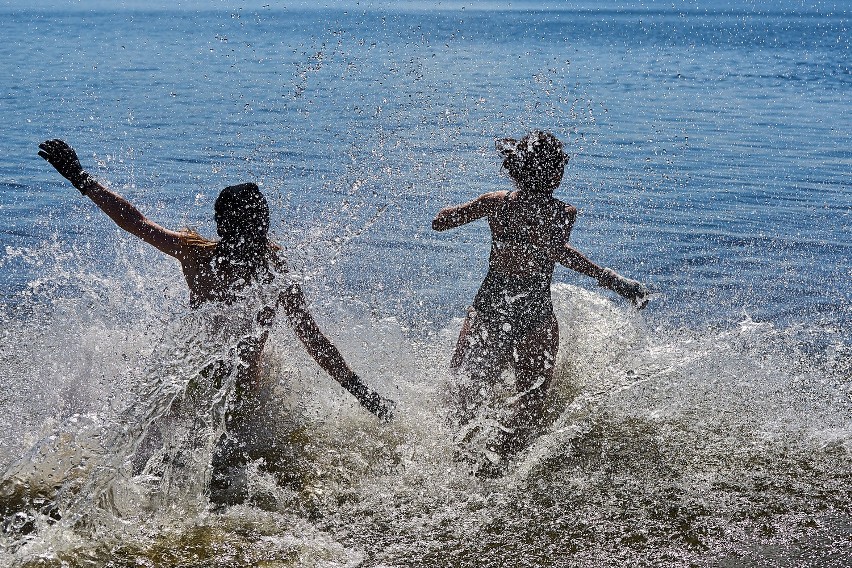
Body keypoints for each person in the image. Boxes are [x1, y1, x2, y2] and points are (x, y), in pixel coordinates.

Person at [38, 139, 393, 505]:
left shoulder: (200, 255)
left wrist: (81, 178)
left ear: (220, 224)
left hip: (194, 379)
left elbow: (136, 223)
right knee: (219, 476)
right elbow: (315, 342)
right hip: (234, 392)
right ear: (263, 223)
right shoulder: (271, 270)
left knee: (162, 460)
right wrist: (362, 393)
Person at [431, 130, 649, 474]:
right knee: (531, 402)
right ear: (557, 172)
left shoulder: (498, 202)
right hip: (535, 311)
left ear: (517, 168)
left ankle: (457, 464)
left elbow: (440, 222)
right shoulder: (564, 213)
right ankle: (505, 467)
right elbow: (554, 250)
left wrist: (459, 212)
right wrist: (609, 278)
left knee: (465, 394)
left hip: (492, 307)